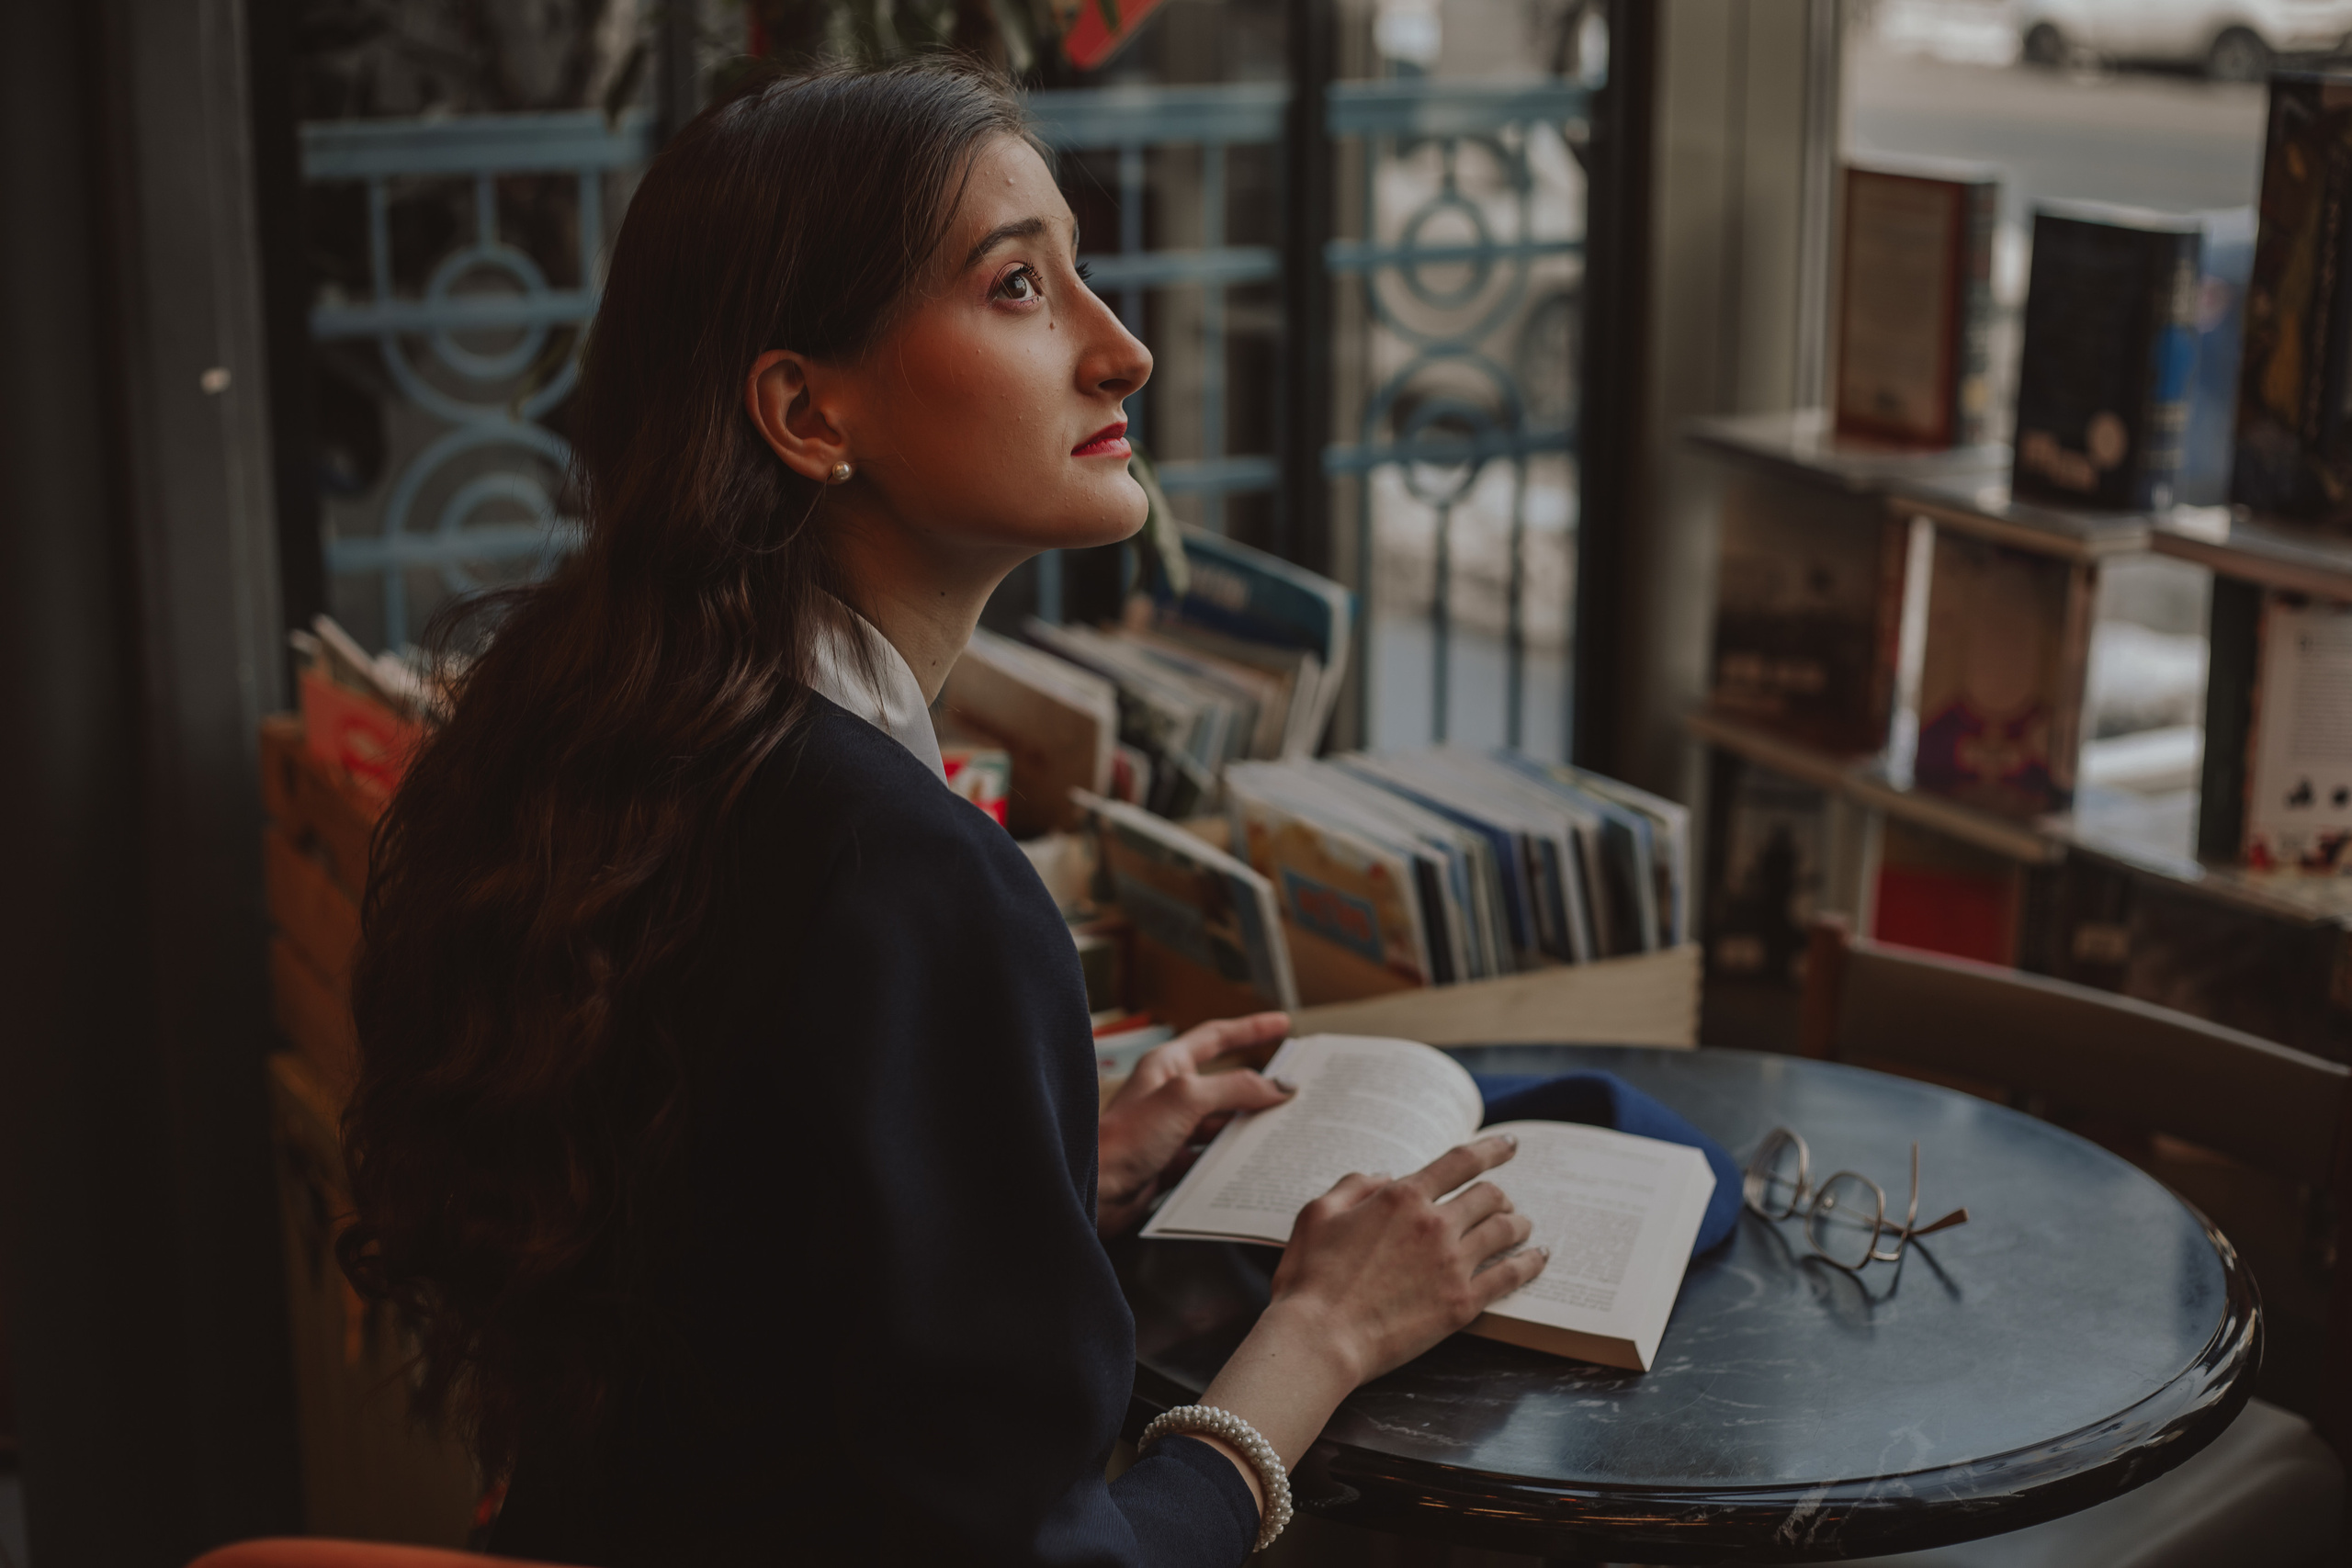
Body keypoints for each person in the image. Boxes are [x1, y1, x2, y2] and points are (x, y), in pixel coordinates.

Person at [339, 59, 1547, 1567]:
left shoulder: (580, 734)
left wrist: (1034, 1163)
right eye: (1020, 288)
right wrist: (1321, 1331)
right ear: (803, 408)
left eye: (1080, 274)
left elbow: (734, 1259)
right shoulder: (912, 882)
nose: (1126, 353)